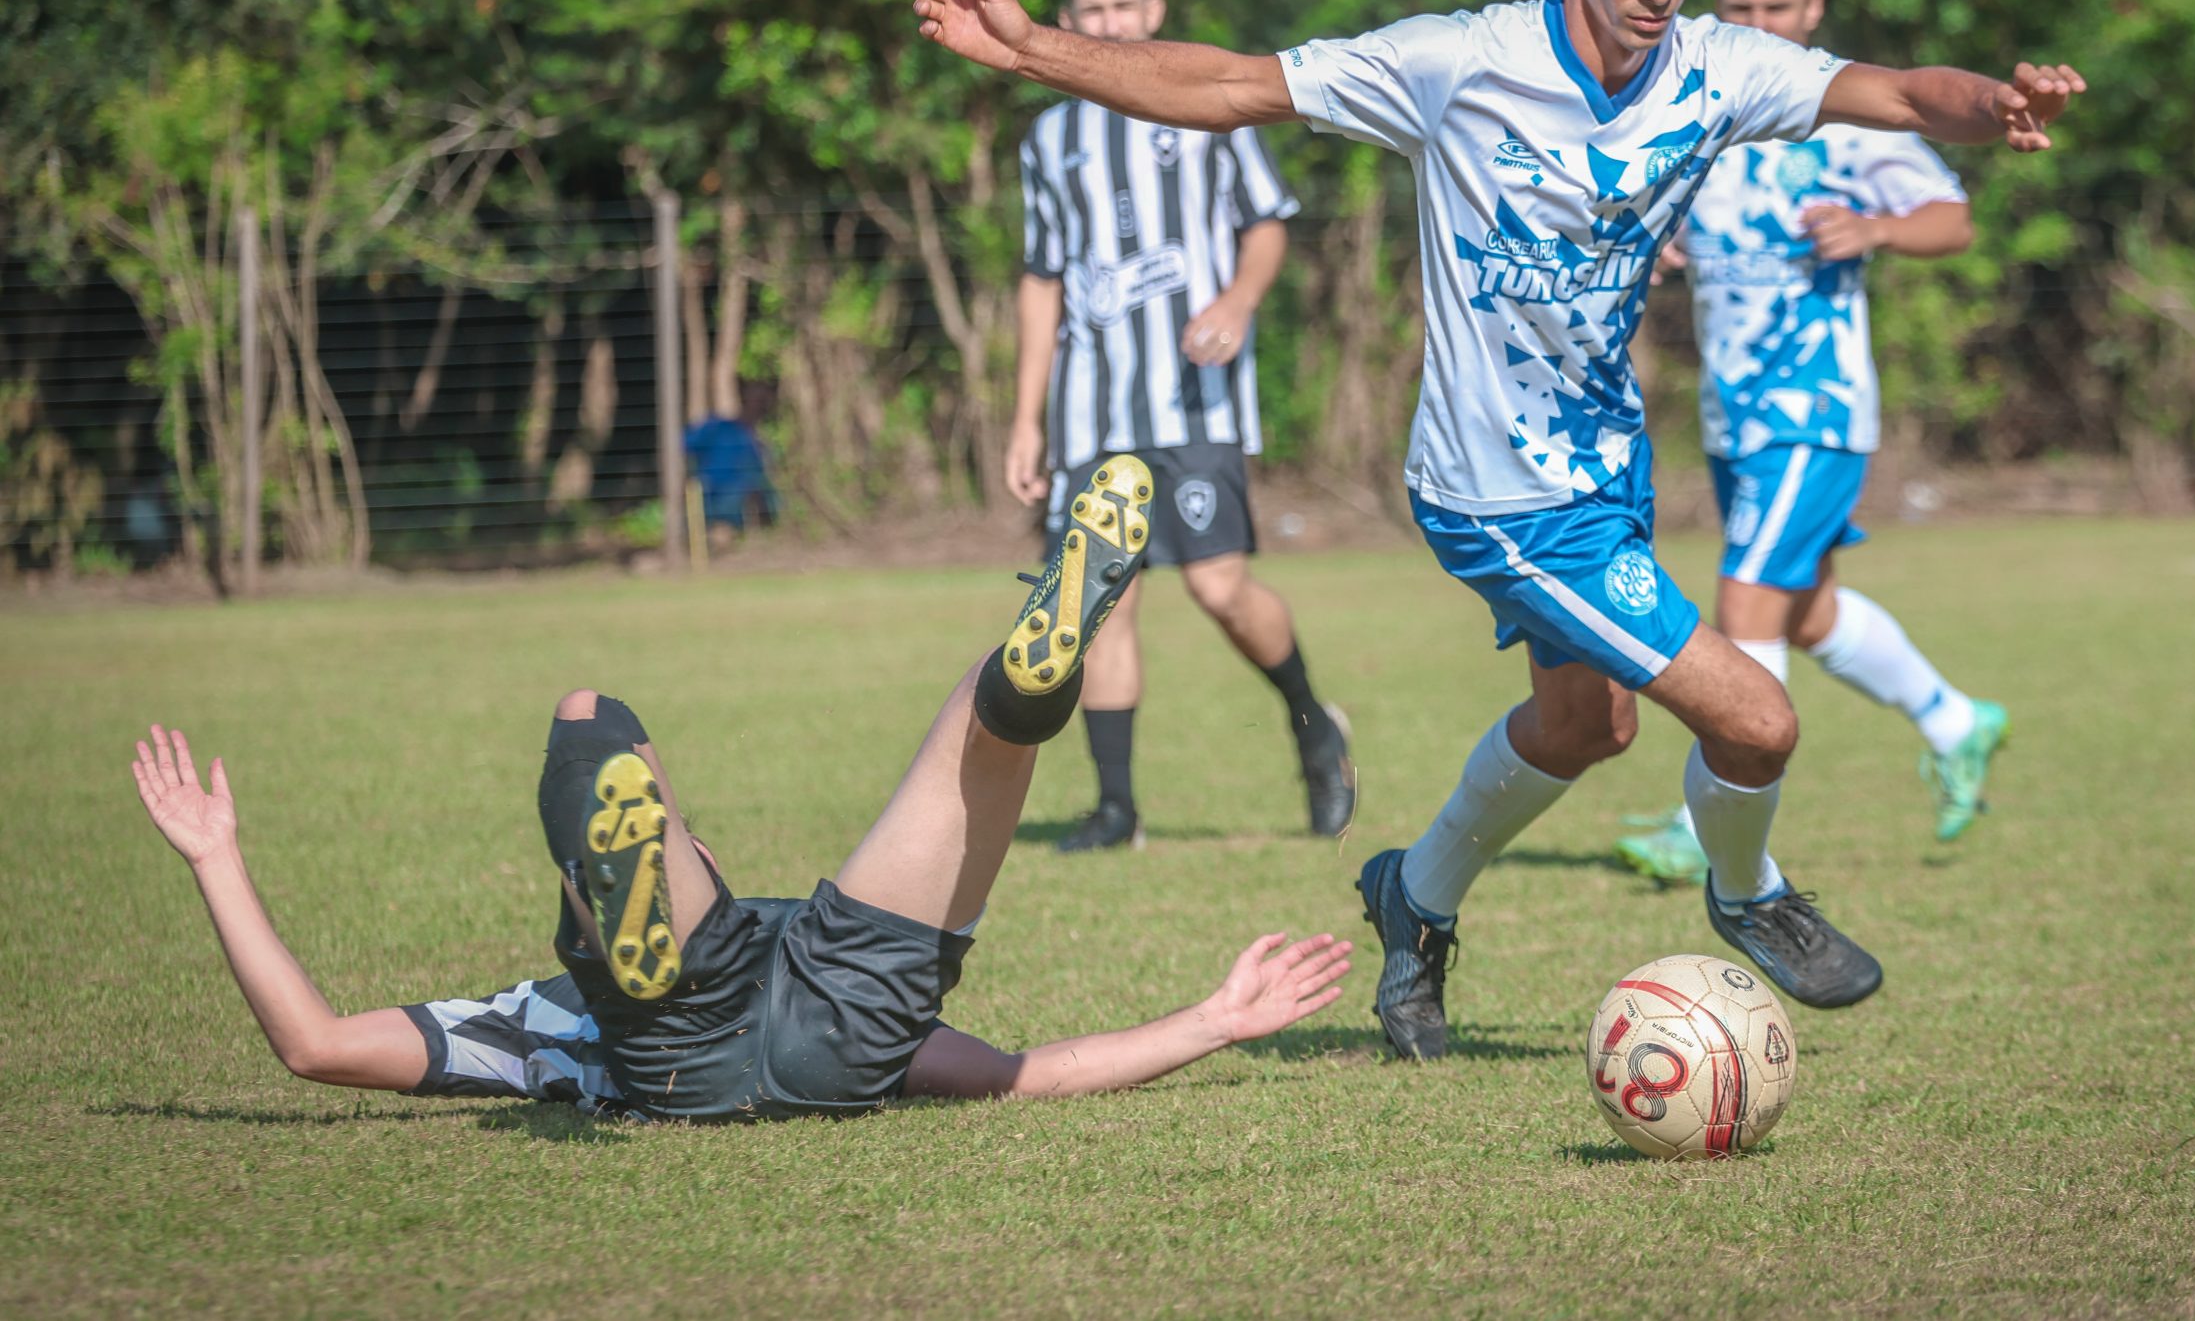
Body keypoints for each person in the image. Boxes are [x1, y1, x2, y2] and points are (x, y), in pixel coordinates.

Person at [903, 0, 2083, 1054]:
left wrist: (1992, 105)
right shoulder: (1455, 62)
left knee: (1587, 726)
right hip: (1494, 492)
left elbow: (1892, 94)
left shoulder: (1717, 67)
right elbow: (1234, 84)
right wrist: (1035, 46)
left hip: (1604, 466)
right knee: (1755, 721)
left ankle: (1411, 904)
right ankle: (1751, 896)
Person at [128, 455, 1353, 1118]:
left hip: (669, 1055)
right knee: (977, 742)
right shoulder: (786, 969)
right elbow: (1017, 1074)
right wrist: (1209, 1022)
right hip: (845, 1031)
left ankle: (627, 899)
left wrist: (215, 859)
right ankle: (1034, 665)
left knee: (589, 722)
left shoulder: (530, 1023)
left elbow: (315, 1047)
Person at [1614, 0, 2011, 885]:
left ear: (1813, 8)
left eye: (1776, 8)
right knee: (1802, 611)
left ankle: (1707, 819)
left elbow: (1950, 218)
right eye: (1740, 8)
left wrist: (1874, 226)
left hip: (1815, 408)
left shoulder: (1839, 107)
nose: (1757, 24)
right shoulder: (1701, 97)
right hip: (1731, 409)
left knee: (1745, 595)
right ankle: (1956, 721)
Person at [1009, 0, 1354, 854]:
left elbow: (1268, 223)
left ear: (1152, 11)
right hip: (1091, 410)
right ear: (1068, 23)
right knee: (1099, 601)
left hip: (1194, 401)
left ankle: (1315, 728)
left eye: (1124, 8)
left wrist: (1238, 302)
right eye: (1091, 11)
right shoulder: (1048, 139)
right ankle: (1117, 808)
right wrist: (1025, 418)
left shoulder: (1210, 111)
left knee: (1218, 584)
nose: (1110, 24)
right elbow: (1042, 280)